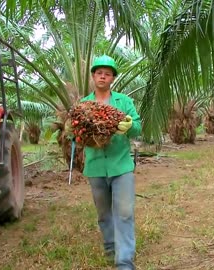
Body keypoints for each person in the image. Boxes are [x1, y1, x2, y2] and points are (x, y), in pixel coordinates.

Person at [67, 55, 141, 270]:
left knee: (125, 211)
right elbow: (76, 136)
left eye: (107, 74)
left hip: (121, 165)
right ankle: (110, 248)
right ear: (93, 76)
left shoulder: (123, 102)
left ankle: (124, 261)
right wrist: (71, 132)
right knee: (104, 213)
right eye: (99, 72)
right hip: (96, 166)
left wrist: (130, 125)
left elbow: (137, 125)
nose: (102, 76)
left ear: (112, 78)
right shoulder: (83, 105)